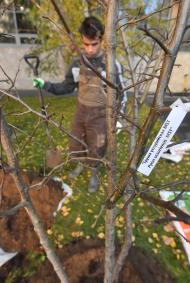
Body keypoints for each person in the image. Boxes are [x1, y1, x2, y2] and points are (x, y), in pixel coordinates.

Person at [33, 16, 126, 192]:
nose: (90, 49)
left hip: (100, 116)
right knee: (75, 144)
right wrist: (45, 84)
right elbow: (66, 86)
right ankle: (80, 165)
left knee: (97, 147)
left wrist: (118, 118)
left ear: (101, 41)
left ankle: (94, 174)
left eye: (94, 44)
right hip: (81, 111)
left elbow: (122, 93)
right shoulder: (77, 63)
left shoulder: (111, 65)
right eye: (86, 44)